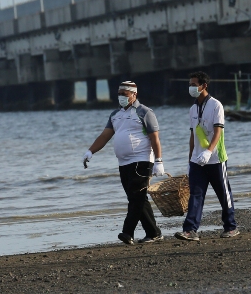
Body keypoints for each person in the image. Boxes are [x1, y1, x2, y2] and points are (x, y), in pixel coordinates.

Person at [82, 80, 166, 245]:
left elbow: (155, 138)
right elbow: (105, 136)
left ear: (134, 94)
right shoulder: (115, 115)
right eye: (119, 94)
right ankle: (154, 232)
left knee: (136, 197)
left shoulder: (145, 112)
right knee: (136, 198)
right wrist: (90, 151)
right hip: (123, 163)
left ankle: (127, 232)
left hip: (141, 160)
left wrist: (158, 161)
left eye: (124, 94)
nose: (121, 97)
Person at [175, 71, 238, 241]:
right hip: (197, 160)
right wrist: (190, 159)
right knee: (195, 194)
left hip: (216, 158)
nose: (191, 88)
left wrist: (209, 151)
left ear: (204, 86)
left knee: (223, 194)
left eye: (194, 85)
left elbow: (218, 132)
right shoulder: (192, 109)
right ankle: (190, 230)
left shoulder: (216, 105)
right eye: (190, 84)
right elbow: (193, 135)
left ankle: (230, 227)